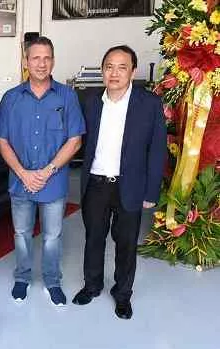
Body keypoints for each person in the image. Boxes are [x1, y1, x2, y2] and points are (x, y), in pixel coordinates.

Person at [72, 45, 166, 319]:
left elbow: (157, 149)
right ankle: (92, 286)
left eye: (121, 67)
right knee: (93, 238)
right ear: (102, 71)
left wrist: (151, 191)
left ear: (133, 71)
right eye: (109, 67)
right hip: (96, 184)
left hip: (131, 185)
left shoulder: (148, 104)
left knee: (126, 243)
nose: (114, 73)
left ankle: (123, 294)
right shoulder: (89, 101)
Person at [0, 36, 84, 306]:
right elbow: (2, 141)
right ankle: (22, 278)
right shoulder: (11, 98)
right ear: (26, 61)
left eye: (46, 58)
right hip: (20, 183)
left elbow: (75, 139)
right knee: (21, 234)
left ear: (53, 61)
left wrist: (48, 171)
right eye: (35, 58)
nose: (41, 63)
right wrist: (23, 173)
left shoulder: (67, 96)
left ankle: (52, 281)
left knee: (52, 236)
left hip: (53, 183)